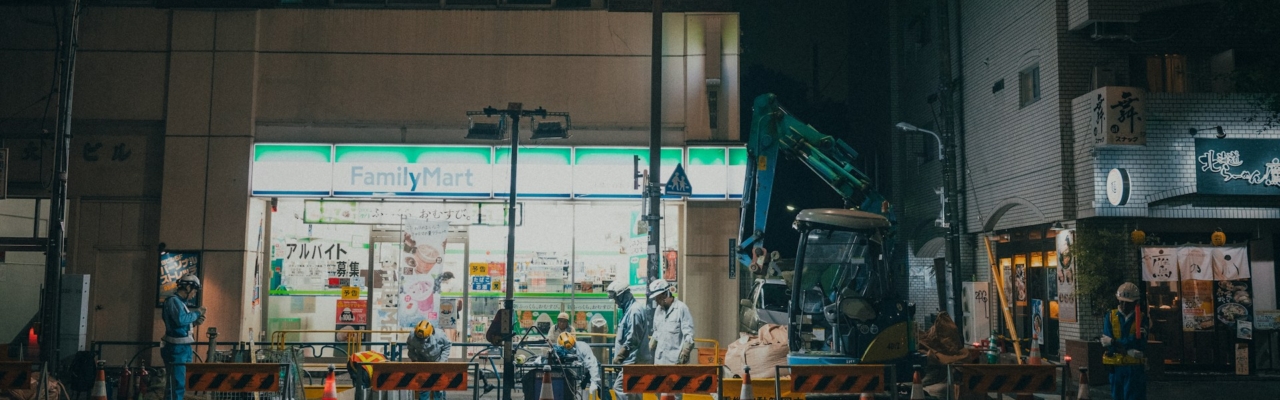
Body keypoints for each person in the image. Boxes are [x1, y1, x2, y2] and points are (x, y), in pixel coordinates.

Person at [161, 274, 205, 400]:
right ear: (188, 288)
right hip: (176, 348)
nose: (194, 294)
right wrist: (197, 313)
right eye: (194, 291)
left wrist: (194, 323)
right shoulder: (173, 301)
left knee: (180, 382)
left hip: (182, 347)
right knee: (176, 383)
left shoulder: (179, 303)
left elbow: (181, 324)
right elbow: (180, 320)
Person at [1102, 282, 1148, 400]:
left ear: (1135, 303)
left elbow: (1140, 342)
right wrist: (1124, 346)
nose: (1123, 305)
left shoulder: (1142, 318)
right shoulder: (1111, 316)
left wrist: (1114, 342)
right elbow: (1106, 341)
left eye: (1127, 302)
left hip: (1135, 369)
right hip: (1116, 368)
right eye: (1121, 301)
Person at [606, 280, 652, 400]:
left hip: (633, 362)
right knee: (634, 392)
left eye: (616, 299)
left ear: (623, 295)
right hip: (632, 361)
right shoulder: (629, 310)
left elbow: (633, 338)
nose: (616, 302)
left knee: (620, 389)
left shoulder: (634, 311)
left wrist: (620, 356)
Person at [648, 280, 695, 365]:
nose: (657, 301)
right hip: (659, 362)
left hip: (675, 363)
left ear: (666, 294)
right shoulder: (658, 310)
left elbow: (688, 335)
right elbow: (656, 333)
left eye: (658, 298)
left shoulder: (681, 308)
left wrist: (685, 352)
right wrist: (650, 347)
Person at [407, 320, 452, 400]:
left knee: (439, 388)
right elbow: (410, 349)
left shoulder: (439, 335)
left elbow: (447, 346)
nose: (422, 341)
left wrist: (442, 361)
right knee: (424, 388)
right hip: (423, 363)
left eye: (424, 338)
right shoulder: (412, 336)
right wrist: (415, 360)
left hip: (438, 362)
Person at [554, 332, 600, 400]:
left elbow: (592, 365)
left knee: (600, 388)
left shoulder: (583, 347)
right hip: (572, 374)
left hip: (588, 370)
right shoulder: (559, 351)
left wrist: (594, 382)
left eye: (572, 348)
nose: (571, 351)